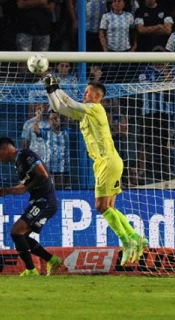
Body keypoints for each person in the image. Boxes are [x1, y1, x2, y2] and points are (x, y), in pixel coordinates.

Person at [43, 74, 146, 264]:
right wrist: (50, 90)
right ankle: (136, 238)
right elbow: (59, 107)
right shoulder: (85, 114)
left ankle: (126, 242)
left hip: (108, 161)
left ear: (97, 96)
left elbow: (70, 102)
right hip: (105, 162)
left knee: (101, 206)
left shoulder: (96, 108)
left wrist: (56, 86)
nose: (84, 94)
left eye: (87, 92)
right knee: (109, 207)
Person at [0, 137, 63, 276]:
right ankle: (53, 260)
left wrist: (26, 188)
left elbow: (42, 174)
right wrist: (7, 191)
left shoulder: (26, 155)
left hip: (45, 201)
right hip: (38, 201)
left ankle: (31, 270)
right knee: (21, 236)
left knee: (16, 231)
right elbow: (23, 187)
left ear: (5, 149)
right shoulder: (18, 163)